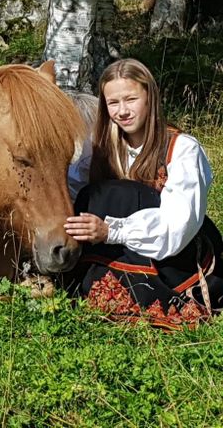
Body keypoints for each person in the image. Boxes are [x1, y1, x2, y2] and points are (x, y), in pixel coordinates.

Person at [63, 58, 223, 326]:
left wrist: (112, 231)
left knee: (117, 193)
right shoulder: (100, 147)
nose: (122, 111)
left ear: (150, 96)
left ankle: (163, 298)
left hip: (177, 257)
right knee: (95, 193)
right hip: (124, 251)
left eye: (131, 99)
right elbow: (71, 191)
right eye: (113, 103)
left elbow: (179, 225)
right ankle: (102, 285)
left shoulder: (182, 148)